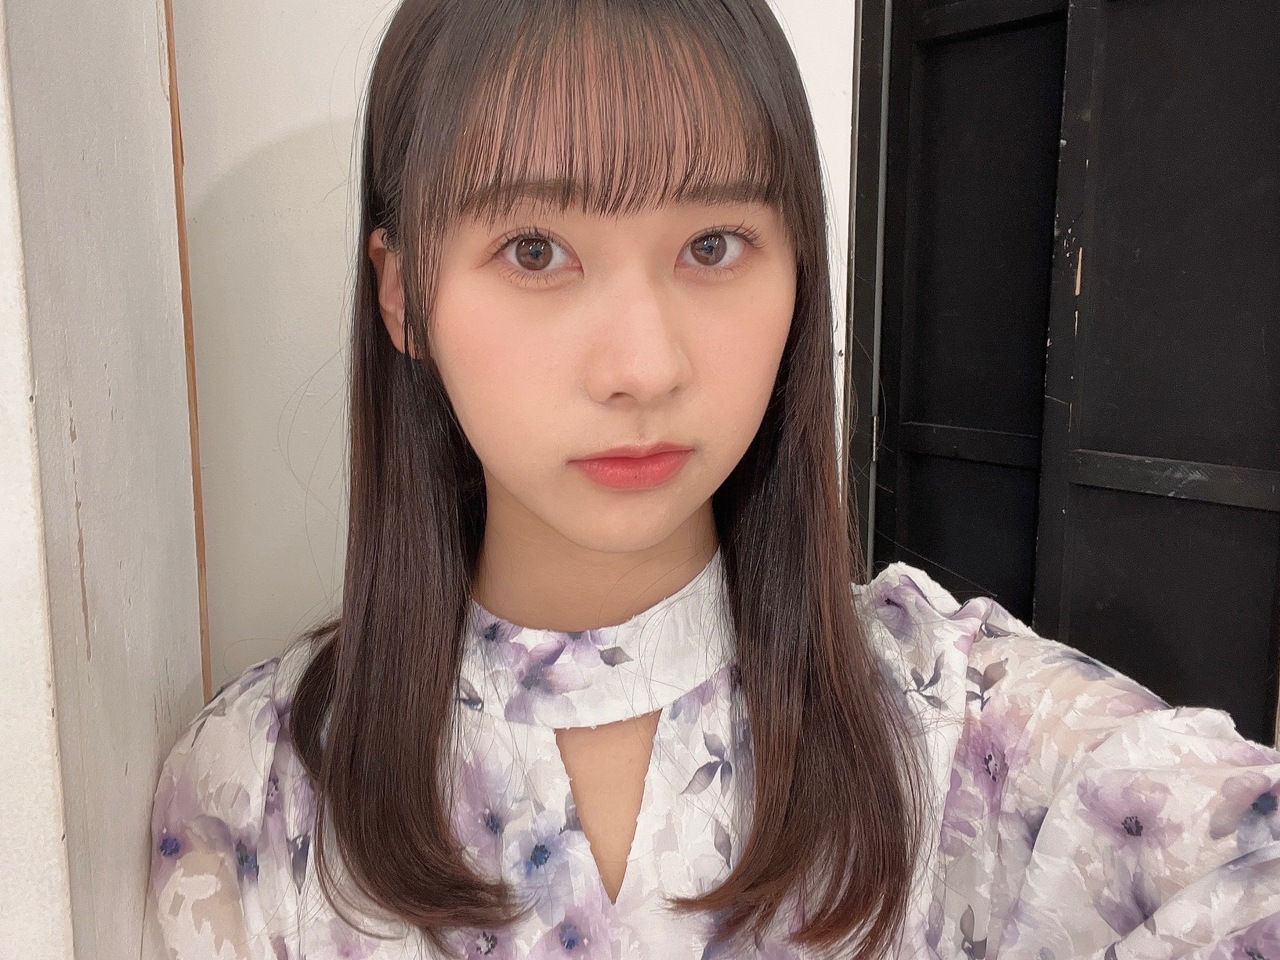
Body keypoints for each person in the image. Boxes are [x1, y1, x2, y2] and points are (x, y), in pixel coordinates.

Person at [148, 0, 1280, 956]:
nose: (644, 367)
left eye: (712, 246)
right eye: (535, 251)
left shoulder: (956, 731)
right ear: (403, 296)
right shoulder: (258, 796)